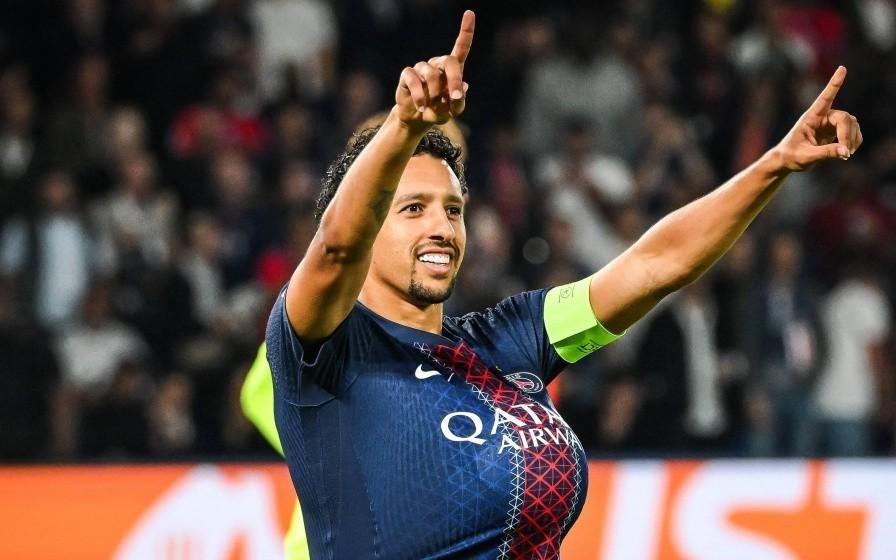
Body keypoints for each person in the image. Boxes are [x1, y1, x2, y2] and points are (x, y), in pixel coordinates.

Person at [265, 10, 863, 558]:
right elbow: (337, 248)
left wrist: (775, 164)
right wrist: (401, 126)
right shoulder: (326, 352)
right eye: (413, 209)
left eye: (453, 209)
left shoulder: (509, 338)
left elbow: (654, 266)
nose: (442, 227)